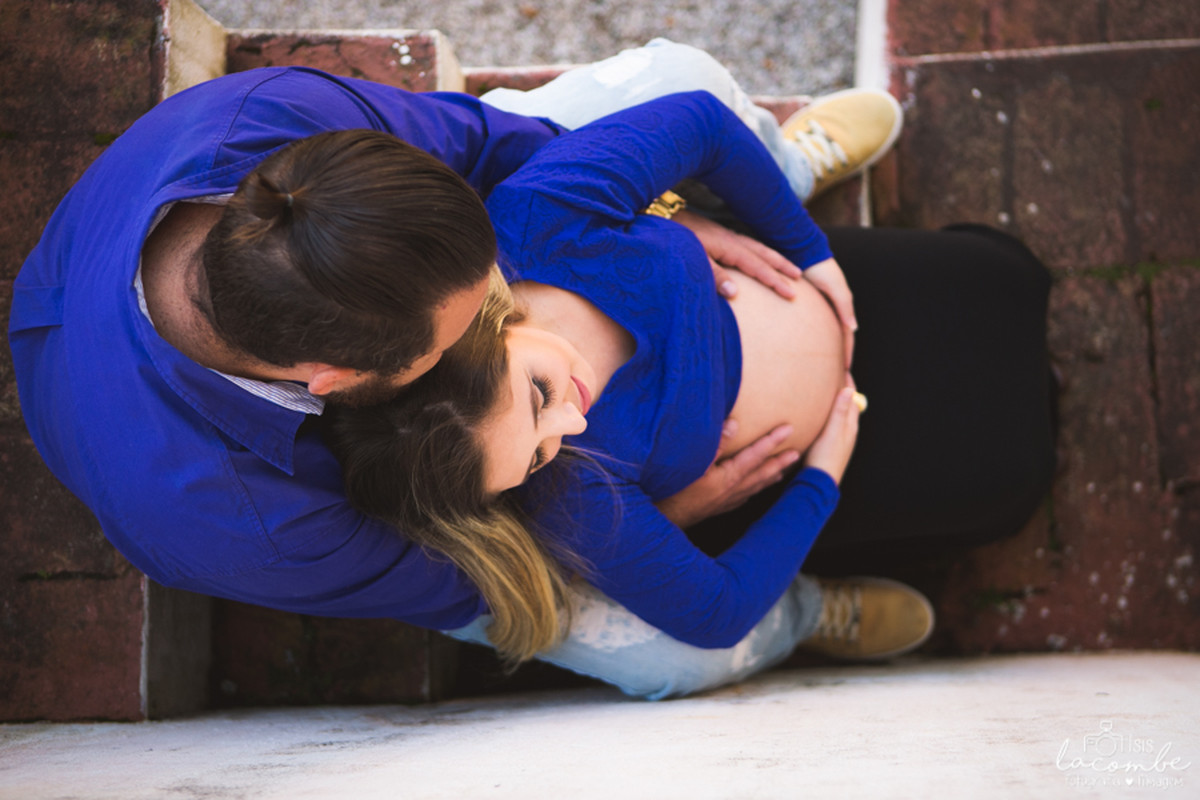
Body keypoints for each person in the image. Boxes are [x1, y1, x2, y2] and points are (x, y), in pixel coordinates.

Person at [7, 44, 904, 659]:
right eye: (479, 314)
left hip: (177, 234)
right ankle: (798, 617)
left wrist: (662, 213)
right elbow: (488, 572)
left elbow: (479, 143)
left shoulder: (282, 120)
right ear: (337, 385)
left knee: (674, 75)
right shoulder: (246, 526)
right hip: (231, 477)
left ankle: (780, 166)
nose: (508, 304)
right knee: (668, 662)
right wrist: (669, 520)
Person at [324, 84, 1056, 698]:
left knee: (1009, 279)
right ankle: (809, 610)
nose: (573, 426)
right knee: (1015, 479)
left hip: (829, 287)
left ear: (484, 322)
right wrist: (823, 476)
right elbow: (715, 615)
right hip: (834, 448)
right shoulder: (568, 497)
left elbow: (700, 121)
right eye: (538, 457)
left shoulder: (534, 221)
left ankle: (791, 168)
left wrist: (809, 250)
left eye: (541, 396)